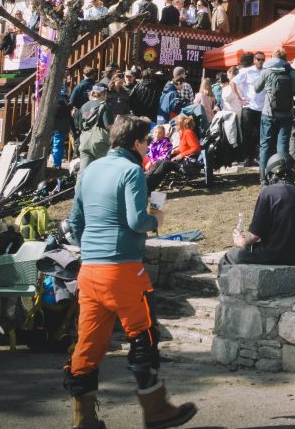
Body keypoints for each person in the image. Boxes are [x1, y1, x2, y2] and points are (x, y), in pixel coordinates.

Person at [65, 115, 196, 429]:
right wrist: (156, 220)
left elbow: (74, 223)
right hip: (122, 270)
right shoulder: (131, 170)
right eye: (146, 142)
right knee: (143, 336)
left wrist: (92, 248)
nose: (147, 147)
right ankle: (156, 409)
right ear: (136, 143)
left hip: (90, 270)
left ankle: (84, 418)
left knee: (88, 344)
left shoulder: (90, 169)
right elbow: (137, 221)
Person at [227, 154, 295, 265]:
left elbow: (255, 236)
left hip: (274, 254)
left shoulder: (268, 193)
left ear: (270, 175)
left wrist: (242, 241)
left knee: (230, 256)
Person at [255, 48, 295, 172]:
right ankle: (281, 175)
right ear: (285, 59)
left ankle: (263, 176)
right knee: (283, 145)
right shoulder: (293, 73)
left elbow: (257, 89)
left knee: (265, 145)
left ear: (272, 58)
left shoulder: (266, 71)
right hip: (287, 113)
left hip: (268, 113)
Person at [77, 83, 115, 177]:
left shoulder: (84, 106)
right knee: (105, 171)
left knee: (83, 172)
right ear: (104, 93)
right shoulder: (104, 105)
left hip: (84, 140)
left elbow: (80, 126)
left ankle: (79, 187)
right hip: (100, 141)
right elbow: (108, 126)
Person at [234, 52, 263, 167]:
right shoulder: (247, 71)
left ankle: (256, 156)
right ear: (254, 60)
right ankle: (248, 158)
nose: (260, 61)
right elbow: (233, 83)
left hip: (261, 108)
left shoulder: (265, 71)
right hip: (249, 107)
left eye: (262, 60)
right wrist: (240, 98)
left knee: (259, 134)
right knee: (248, 134)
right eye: (258, 59)